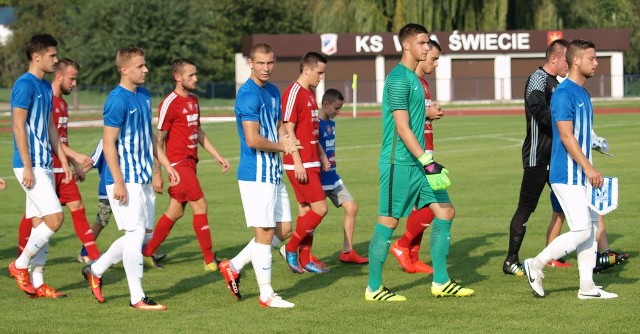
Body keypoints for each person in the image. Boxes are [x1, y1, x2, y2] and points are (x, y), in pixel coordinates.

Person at [366, 23, 474, 302]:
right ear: (406, 45)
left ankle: (440, 282)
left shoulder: (414, 79)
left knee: (446, 211)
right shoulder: (398, 79)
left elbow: (414, 121)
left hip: (418, 163)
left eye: (428, 43)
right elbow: (402, 128)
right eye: (422, 43)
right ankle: (374, 288)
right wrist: (427, 159)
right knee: (387, 223)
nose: (427, 48)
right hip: (398, 164)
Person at [81, 47, 179, 310]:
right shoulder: (116, 100)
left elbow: (149, 136)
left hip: (144, 175)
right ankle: (137, 297)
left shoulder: (144, 95)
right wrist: (119, 181)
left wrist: (167, 165)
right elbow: (109, 143)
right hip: (126, 178)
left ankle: (96, 269)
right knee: (135, 234)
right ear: (124, 69)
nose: (145, 70)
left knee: (143, 235)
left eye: (145, 65)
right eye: (139, 66)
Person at [523, 39, 617, 299]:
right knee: (582, 229)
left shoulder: (583, 93)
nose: (596, 63)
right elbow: (565, 136)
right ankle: (536, 263)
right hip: (567, 174)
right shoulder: (564, 94)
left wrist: (595, 145)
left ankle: (587, 287)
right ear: (576, 61)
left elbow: (580, 134)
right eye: (592, 58)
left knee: (590, 227)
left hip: (582, 173)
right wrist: (588, 168)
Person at [218, 43, 298, 308]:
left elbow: (277, 127)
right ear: (250, 63)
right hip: (256, 174)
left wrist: (288, 138)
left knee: (283, 230)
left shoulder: (273, 91)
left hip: (273, 172)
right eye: (261, 63)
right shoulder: (247, 95)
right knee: (264, 233)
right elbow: (252, 139)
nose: (266, 68)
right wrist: (282, 145)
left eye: (270, 63)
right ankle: (266, 294)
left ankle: (234, 265)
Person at [141, 58, 230, 271]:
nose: (195, 78)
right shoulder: (169, 103)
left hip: (191, 163)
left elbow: (197, 131)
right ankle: (209, 261)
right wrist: (158, 173)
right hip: (177, 165)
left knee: (175, 211)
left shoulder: (193, 100)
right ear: (177, 77)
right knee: (200, 205)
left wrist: (217, 155)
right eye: (191, 75)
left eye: (195, 74)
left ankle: (148, 252)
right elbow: (159, 139)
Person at [16, 58, 100, 267]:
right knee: (41, 215)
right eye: (72, 79)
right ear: (59, 76)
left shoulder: (60, 102)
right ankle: (22, 261)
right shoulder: (43, 96)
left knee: (67, 207)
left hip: (59, 165)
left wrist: (72, 163)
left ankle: (91, 254)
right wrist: (76, 157)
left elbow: (60, 138)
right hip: (45, 165)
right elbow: (42, 136)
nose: (74, 84)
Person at [8, 33, 74, 298]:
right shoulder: (24, 85)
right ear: (37, 56)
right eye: (52, 55)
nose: (55, 60)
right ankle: (20, 265)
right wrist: (26, 165)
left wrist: (63, 160)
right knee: (55, 219)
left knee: (39, 224)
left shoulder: (46, 86)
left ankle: (38, 283)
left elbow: (49, 128)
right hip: (30, 164)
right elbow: (18, 125)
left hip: (45, 162)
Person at [503, 39, 570, 276]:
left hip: (555, 156)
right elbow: (539, 111)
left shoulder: (556, 82)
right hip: (536, 156)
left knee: (568, 202)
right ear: (554, 58)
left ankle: (557, 255)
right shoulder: (538, 78)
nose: (569, 64)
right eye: (566, 59)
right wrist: (563, 124)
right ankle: (511, 260)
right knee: (526, 207)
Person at [391, 40, 444, 275]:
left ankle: (412, 255)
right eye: (432, 57)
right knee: (437, 206)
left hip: (426, 151)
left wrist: (430, 116)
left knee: (424, 206)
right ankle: (402, 246)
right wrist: (427, 112)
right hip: (415, 156)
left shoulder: (423, 83)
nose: (434, 62)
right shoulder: (408, 82)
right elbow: (403, 123)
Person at [281, 52, 332, 274]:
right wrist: (298, 161)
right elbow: (287, 128)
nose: (321, 77)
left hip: (312, 160)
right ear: (307, 70)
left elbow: (311, 129)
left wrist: (321, 153)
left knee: (306, 213)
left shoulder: (310, 93)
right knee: (320, 209)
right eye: (319, 72)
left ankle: (305, 258)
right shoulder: (294, 92)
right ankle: (290, 248)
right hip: (299, 163)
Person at [318, 88, 368, 264]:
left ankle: (347, 252)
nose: (338, 112)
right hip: (320, 178)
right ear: (325, 105)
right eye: (336, 108)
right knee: (314, 216)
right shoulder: (315, 124)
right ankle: (299, 252)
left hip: (333, 176)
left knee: (351, 207)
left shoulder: (331, 124)